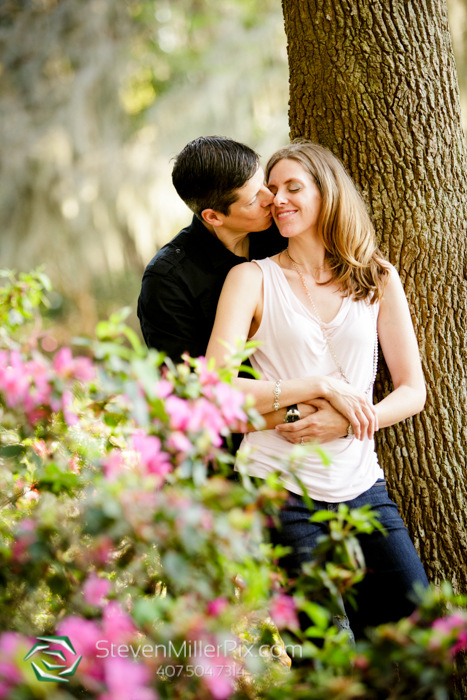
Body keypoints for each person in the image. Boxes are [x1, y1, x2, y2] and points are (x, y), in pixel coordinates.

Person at [206, 140, 429, 638]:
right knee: (319, 655)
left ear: (327, 193)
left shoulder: (377, 277)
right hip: (280, 491)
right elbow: (213, 390)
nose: (278, 199)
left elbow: (413, 390)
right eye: (273, 189)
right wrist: (318, 386)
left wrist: (349, 416)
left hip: (363, 487)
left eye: (293, 187)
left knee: (416, 636)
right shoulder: (251, 279)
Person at [137, 136, 352, 442]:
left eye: (263, 182)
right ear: (213, 217)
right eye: (253, 200)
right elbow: (194, 398)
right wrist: (304, 413)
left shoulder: (282, 233)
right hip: (230, 459)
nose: (272, 199)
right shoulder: (168, 281)